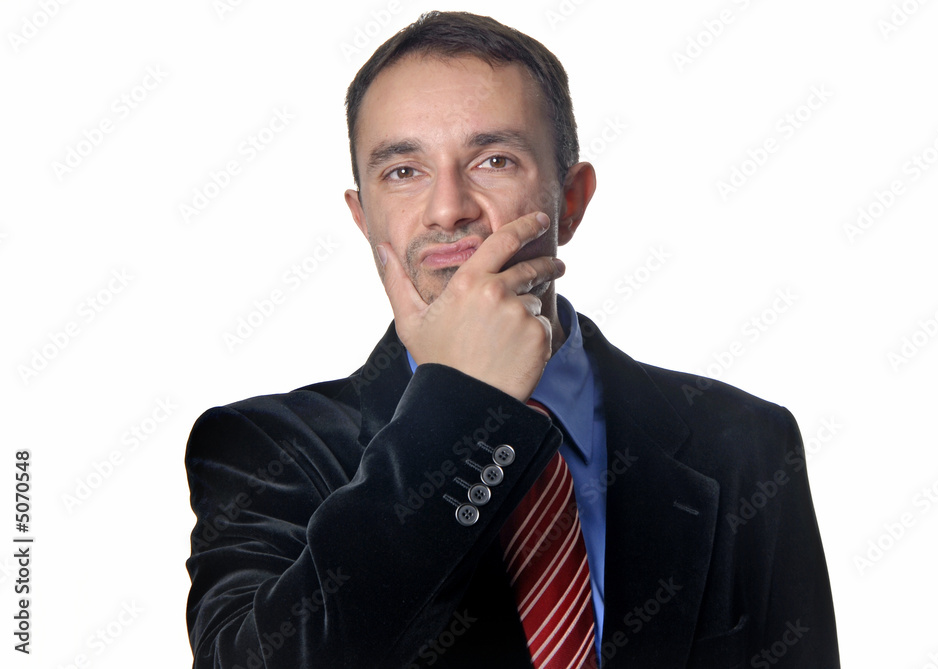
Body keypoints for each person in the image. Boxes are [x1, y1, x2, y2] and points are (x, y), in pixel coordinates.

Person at [184, 11, 840, 668]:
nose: (449, 208)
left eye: (494, 161)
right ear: (364, 218)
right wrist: (459, 407)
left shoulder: (746, 442)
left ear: (571, 201)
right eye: (403, 171)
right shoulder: (263, 448)